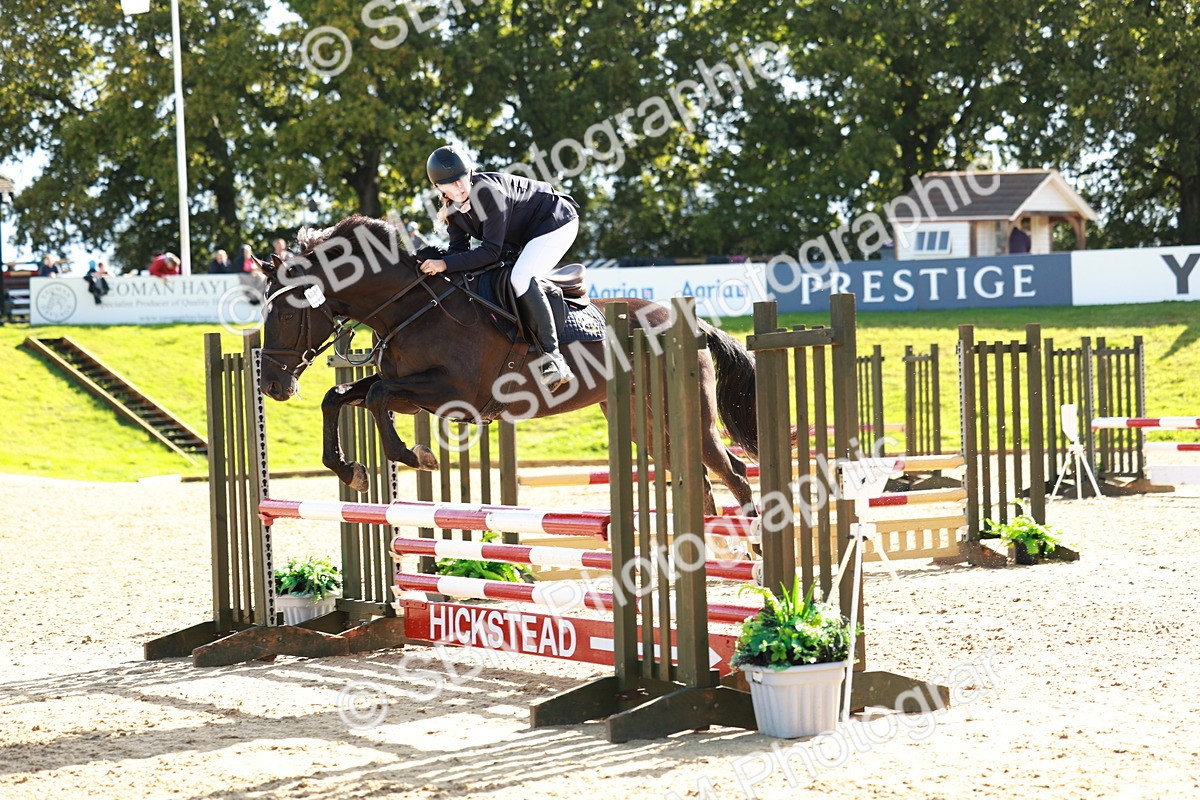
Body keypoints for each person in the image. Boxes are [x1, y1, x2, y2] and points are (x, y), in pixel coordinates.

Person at [419, 145, 580, 390]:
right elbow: (458, 252)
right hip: (524, 235)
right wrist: (437, 269)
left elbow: (491, 251)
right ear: (439, 188)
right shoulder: (453, 211)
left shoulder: (489, 193)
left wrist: (445, 264)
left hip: (554, 223)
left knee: (520, 277)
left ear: (469, 173)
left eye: (462, 179)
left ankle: (554, 358)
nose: (460, 187)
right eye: (451, 184)